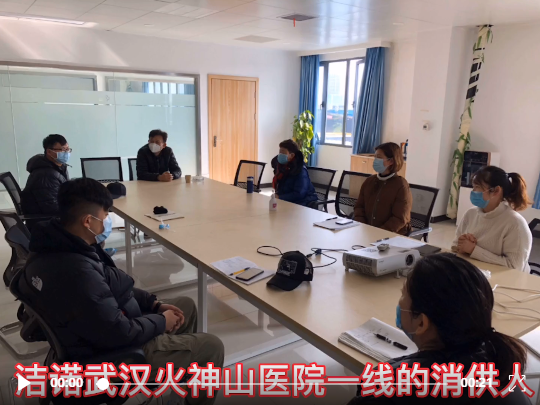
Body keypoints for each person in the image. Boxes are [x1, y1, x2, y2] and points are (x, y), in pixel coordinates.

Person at [17, 178, 223, 405]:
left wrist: (154, 304)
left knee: (185, 305)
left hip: (102, 329)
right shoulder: (77, 271)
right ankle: (175, 367)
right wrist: (161, 322)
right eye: (105, 216)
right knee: (211, 346)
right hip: (113, 355)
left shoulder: (58, 244)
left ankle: (178, 374)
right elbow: (119, 332)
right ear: (88, 221)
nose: (106, 222)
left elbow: (111, 284)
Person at [348, 253, 529, 404]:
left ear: (421, 323)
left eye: (403, 294)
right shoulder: (502, 363)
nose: (400, 301)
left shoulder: (387, 388)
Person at [452, 166, 532, 273]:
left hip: (503, 279)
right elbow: (454, 246)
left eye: (477, 187)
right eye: (473, 187)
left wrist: (473, 250)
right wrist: (461, 245)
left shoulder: (515, 224)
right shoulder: (470, 214)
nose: (473, 191)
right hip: (473, 273)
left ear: (496, 191)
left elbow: (514, 267)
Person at [353, 142, 412, 234]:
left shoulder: (401, 185)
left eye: (379, 157)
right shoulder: (369, 181)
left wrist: (378, 233)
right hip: (367, 232)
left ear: (391, 161)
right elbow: (359, 207)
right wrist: (363, 226)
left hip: (391, 235)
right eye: (375, 157)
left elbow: (400, 218)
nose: (375, 160)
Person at [20, 134, 70, 218]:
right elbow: (52, 208)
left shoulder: (58, 167)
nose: (66, 153)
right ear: (49, 152)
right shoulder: (45, 176)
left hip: (51, 217)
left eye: (67, 149)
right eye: (63, 150)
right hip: (45, 222)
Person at [271, 139, 317, 206]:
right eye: (280, 152)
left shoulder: (300, 170)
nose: (280, 155)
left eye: (283, 153)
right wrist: (278, 196)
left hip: (304, 202)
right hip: (288, 201)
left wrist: (280, 197)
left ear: (292, 155)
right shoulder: (282, 168)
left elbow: (299, 194)